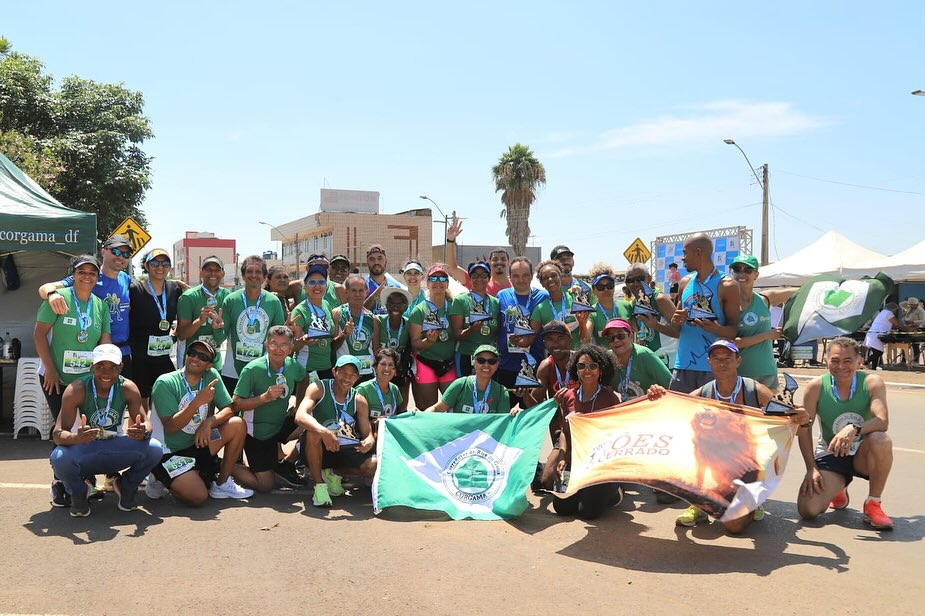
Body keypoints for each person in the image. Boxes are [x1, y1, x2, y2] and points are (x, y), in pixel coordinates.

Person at [648, 338, 808, 532]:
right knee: (695, 443)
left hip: (748, 466)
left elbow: (792, 425)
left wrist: (802, 420)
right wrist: (658, 396)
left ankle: (751, 503)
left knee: (733, 526)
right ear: (709, 362)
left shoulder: (755, 390)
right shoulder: (703, 393)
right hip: (714, 465)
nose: (722, 363)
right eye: (716, 358)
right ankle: (699, 502)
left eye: (727, 358)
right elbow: (672, 412)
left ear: (738, 361)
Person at [49, 344, 163, 516]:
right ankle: (79, 492)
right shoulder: (76, 389)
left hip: (115, 447)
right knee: (59, 457)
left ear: (121, 367)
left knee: (154, 448)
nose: (106, 373)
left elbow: (146, 423)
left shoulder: (128, 388)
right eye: (100, 366)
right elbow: (57, 435)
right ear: (92, 366)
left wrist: (143, 431)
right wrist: (75, 438)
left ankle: (126, 487)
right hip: (85, 449)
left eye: (113, 367)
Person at [797, 337, 895, 530]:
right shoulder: (815, 387)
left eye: (847, 361)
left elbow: (882, 421)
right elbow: (804, 429)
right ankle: (838, 486)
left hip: (862, 453)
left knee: (881, 439)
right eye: (835, 360)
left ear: (859, 362)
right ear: (825, 360)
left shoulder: (871, 382)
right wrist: (811, 468)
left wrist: (853, 428)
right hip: (832, 453)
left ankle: (873, 503)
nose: (841, 366)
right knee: (808, 509)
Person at [149, 339, 253, 505]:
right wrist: (197, 401)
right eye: (192, 353)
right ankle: (159, 476)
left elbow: (229, 409)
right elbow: (171, 427)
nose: (195, 358)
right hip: (169, 451)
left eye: (203, 357)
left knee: (237, 424)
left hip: (198, 442)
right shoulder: (165, 382)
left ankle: (221, 484)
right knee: (198, 497)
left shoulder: (211, 376)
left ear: (209, 365)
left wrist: (209, 423)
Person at [545, 345, 623, 519]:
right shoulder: (568, 396)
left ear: (601, 369)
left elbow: (616, 435)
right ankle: (583, 490)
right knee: (563, 509)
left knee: (589, 513)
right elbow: (564, 432)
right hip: (574, 460)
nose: (587, 370)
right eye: (581, 366)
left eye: (593, 366)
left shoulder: (610, 398)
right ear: (576, 369)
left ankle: (614, 490)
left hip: (599, 462)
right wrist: (562, 456)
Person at [39, 234, 134, 376]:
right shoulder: (89, 276)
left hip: (122, 352)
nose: (120, 257)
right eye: (116, 251)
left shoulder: (125, 279)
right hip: (94, 352)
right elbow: (45, 288)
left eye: (126, 254)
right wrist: (52, 294)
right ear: (103, 251)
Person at [34, 255, 113, 422]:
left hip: (86, 380)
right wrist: (50, 369)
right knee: (63, 425)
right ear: (73, 275)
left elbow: (105, 342)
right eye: (81, 272)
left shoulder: (101, 306)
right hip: (56, 377)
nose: (87, 276)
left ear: (97, 277)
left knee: (86, 425)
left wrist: (106, 370)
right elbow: (39, 335)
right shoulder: (57, 298)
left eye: (92, 273)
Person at [231, 326, 307, 493]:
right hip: (257, 433)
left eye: (283, 345)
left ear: (291, 347)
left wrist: (299, 406)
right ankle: (226, 466)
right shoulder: (252, 369)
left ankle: (286, 464)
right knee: (265, 486)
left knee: (312, 423)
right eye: (273, 344)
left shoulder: (291, 364)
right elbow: (236, 404)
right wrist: (264, 397)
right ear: (266, 345)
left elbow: (304, 378)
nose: (278, 349)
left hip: (279, 426)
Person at [295, 355, 376, 508]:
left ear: (358, 378)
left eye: (352, 375)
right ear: (334, 371)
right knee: (313, 432)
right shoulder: (318, 388)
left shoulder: (359, 400)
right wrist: (324, 432)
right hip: (317, 445)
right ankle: (319, 486)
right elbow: (300, 416)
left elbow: (368, 434)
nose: (347, 378)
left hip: (342, 446)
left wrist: (368, 442)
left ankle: (332, 473)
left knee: (372, 465)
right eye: (343, 372)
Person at [666, 233, 740, 392]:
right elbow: (676, 327)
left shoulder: (727, 285)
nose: (683, 258)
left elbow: (734, 330)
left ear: (698, 252)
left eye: (685, 253)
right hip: (683, 365)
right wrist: (676, 319)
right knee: (678, 408)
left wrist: (716, 328)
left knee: (710, 410)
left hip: (713, 369)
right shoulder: (685, 283)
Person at [728, 255, 797, 390]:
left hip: (768, 373)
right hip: (741, 374)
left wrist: (822, 284)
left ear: (756, 275)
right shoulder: (728, 304)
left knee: (769, 405)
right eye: (737, 269)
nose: (742, 273)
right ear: (732, 273)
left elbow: (798, 292)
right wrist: (767, 335)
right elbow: (732, 343)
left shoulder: (765, 299)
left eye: (748, 270)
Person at [219, 255, 286, 394]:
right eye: (249, 271)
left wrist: (288, 330)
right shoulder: (231, 300)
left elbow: (279, 337)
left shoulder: (273, 302)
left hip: (263, 370)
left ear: (264, 277)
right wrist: (217, 328)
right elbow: (220, 338)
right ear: (243, 276)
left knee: (260, 407)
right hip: (232, 372)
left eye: (258, 272)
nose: (253, 275)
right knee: (233, 407)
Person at [128, 249, 183, 410]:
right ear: (146, 266)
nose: (160, 267)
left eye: (165, 264)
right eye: (154, 263)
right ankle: (142, 426)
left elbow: (183, 316)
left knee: (167, 398)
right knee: (141, 401)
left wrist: (174, 334)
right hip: (140, 356)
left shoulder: (175, 289)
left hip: (163, 355)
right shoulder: (135, 289)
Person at [495, 257, 549, 397]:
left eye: (525, 275)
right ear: (510, 277)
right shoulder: (501, 295)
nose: (521, 280)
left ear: (532, 276)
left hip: (534, 364)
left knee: (532, 408)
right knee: (505, 406)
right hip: (506, 364)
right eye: (516, 276)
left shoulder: (543, 296)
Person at [408, 264, 457, 409]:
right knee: (428, 408)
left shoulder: (454, 306)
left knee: (453, 407)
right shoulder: (419, 310)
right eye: (433, 278)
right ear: (427, 283)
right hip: (426, 362)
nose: (438, 282)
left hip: (449, 363)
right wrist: (428, 341)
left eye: (442, 278)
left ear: (447, 283)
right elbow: (415, 344)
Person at [290, 263, 338, 396]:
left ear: (326, 285)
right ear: (305, 287)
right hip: (306, 369)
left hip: (326, 367)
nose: (317, 286)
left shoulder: (326, 305)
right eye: (312, 282)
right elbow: (293, 346)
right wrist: (303, 341)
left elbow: (331, 337)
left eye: (321, 282)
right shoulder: (299, 311)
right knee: (303, 406)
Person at [176, 255, 229, 372]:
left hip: (215, 363)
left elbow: (223, 337)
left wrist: (218, 329)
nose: (213, 273)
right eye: (208, 270)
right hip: (192, 362)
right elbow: (181, 335)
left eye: (217, 270)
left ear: (223, 273)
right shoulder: (188, 297)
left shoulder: (228, 296)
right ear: (201, 272)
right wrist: (199, 321)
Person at [423, 345, 511, 414]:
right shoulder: (460, 385)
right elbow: (437, 408)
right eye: (481, 360)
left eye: (492, 361)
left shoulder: (501, 392)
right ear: (474, 363)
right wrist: (420, 417)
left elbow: (503, 421)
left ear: (497, 365)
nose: (486, 365)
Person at [450, 261, 502, 377]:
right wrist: (471, 329)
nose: (479, 279)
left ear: (489, 278)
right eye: (475, 275)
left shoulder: (496, 302)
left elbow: (498, 333)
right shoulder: (460, 301)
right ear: (470, 278)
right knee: (466, 387)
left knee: (489, 387)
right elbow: (457, 334)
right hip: (466, 355)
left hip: (489, 357)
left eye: (484, 275)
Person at [604, 318, 671, 401]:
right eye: (610, 338)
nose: (616, 340)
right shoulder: (607, 359)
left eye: (620, 336)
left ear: (631, 336)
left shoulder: (644, 354)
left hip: (653, 405)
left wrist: (658, 391)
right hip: (628, 407)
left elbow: (671, 384)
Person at [444, 217, 512, 296]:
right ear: (489, 262)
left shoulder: (516, 284)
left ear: (508, 262)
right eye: (495, 259)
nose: (499, 262)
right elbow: (452, 268)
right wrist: (450, 240)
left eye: (503, 259)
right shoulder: (479, 282)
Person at [530, 260, 590, 349]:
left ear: (560, 277)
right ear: (542, 283)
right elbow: (530, 338)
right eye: (545, 278)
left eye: (554, 275)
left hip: (578, 354)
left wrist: (582, 324)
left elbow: (586, 339)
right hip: (556, 355)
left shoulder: (576, 298)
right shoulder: (540, 309)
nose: (550, 279)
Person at [333, 273, 379, 384]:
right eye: (353, 290)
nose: (357, 294)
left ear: (366, 292)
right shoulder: (337, 313)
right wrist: (344, 334)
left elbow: (376, 350)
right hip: (345, 373)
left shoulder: (373, 319)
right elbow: (332, 347)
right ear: (346, 292)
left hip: (367, 371)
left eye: (361, 290)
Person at [374, 287, 413, 412]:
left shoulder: (409, 324)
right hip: (382, 367)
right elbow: (376, 351)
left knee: (401, 407)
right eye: (391, 303)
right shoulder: (378, 321)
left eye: (400, 304)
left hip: (400, 369)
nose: (395, 307)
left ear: (405, 307)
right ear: (386, 306)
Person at [621, 263, 674, 355]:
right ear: (626, 283)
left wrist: (656, 325)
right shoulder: (634, 304)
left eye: (640, 279)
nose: (636, 283)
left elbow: (680, 331)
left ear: (649, 278)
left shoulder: (659, 299)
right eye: (631, 280)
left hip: (670, 358)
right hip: (650, 358)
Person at [356, 348, 404, 434]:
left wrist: (413, 413)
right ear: (375, 367)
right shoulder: (363, 390)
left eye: (391, 365)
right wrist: (374, 423)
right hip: (368, 435)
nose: (387, 368)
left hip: (389, 435)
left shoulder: (395, 389)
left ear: (395, 371)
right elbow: (354, 422)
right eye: (383, 364)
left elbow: (401, 416)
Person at [585, 266, 633, 347]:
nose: (606, 289)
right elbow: (586, 339)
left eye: (609, 285)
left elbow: (637, 331)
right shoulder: (591, 312)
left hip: (628, 353)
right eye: (601, 287)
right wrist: (582, 323)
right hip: (606, 354)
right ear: (593, 290)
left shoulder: (626, 306)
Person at [864, 302, 913, 370]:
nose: (895, 312)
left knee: (876, 352)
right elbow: (896, 324)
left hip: (873, 334)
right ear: (893, 309)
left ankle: (873, 367)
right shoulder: (889, 313)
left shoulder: (882, 312)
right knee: (879, 352)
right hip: (876, 334)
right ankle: (865, 362)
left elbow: (888, 324)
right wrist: (907, 329)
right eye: (895, 310)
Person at [363, 244, 402, 315]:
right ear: (367, 263)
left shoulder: (395, 286)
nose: (376, 262)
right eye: (372, 259)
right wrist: (375, 296)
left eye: (380, 258)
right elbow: (356, 312)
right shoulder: (361, 285)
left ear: (386, 261)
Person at [901, 296, 924, 365]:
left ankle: (916, 362)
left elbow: (923, 321)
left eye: (912, 305)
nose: (910, 306)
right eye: (910, 305)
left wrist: (913, 322)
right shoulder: (909, 310)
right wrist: (905, 319)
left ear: (916, 304)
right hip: (909, 329)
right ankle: (903, 361)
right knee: (903, 344)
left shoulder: (921, 311)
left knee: (915, 345)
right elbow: (902, 305)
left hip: (918, 329)